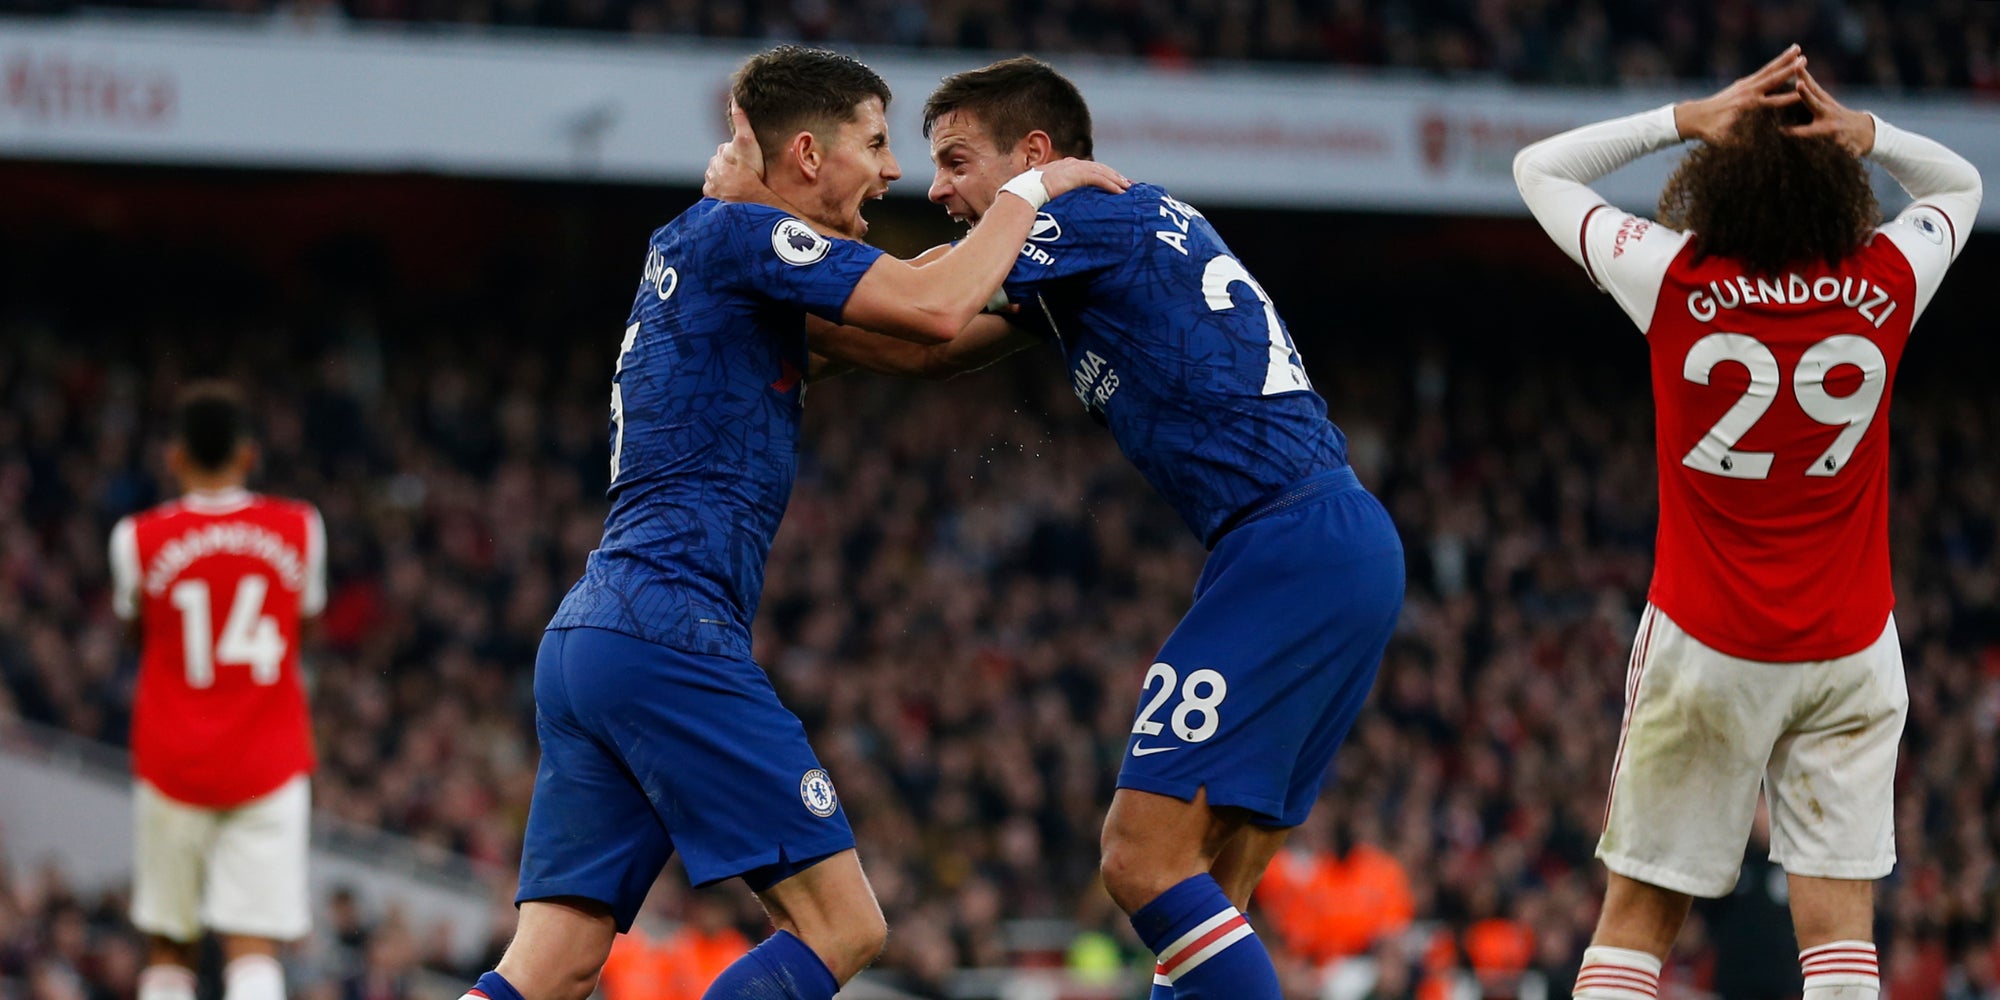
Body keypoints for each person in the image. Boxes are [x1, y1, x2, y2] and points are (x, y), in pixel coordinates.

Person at [706, 55, 1406, 1000]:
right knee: (1209, 882)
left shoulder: (1075, 215)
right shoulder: (1103, 241)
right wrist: (758, 330)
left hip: (1290, 547)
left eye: (957, 161)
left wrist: (745, 225)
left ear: (1035, 154)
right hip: (1326, 543)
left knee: (1138, 859)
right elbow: (927, 346)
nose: (938, 187)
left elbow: (924, 306)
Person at [454, 45, 1128, 1000]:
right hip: (670, 629)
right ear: (808, 154)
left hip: (595, 637)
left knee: (553, 965)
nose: (894, 170)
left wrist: (1065, 287)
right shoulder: (737, 239)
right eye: (877, 141)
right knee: (843, 926)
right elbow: (935, 307)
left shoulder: (713, 263)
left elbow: (926, 336)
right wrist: (1028, 191)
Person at [1511, 46, 1981, 1000]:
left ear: (1718, 177)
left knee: (1637, 926)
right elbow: (1963, 183)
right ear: (1838, 183)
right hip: (1850, 645)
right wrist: (1870, 134)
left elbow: (1539, 169)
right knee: (1841, 942)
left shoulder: (1673, 277)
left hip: (1706, 642)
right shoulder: (1889, 280)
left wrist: (1684, 117)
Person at [108, 381, 327, 1000]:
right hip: (269, 757)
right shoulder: (300, 528)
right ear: (249, 454)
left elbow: (136, 630)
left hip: (172, 758)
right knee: (254, 946)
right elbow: (300, 627)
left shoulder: (137, 538)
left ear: (174, 456)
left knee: (169, 944)